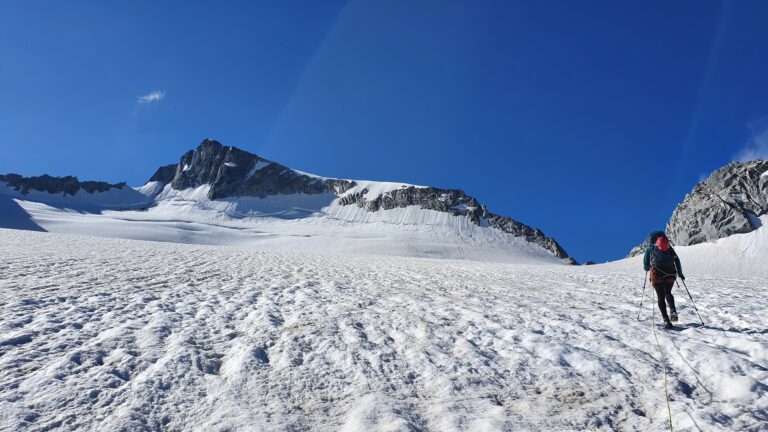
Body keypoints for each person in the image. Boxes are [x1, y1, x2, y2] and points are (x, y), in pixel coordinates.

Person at [643, 234, 685, 329]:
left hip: (657, 276)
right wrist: (680, 273)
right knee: (668, 293)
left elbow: (646, 263)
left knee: (660, 297)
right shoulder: (669, 249)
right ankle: (673, 309)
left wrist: (646, 267)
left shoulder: (651, 248)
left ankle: (666, 320)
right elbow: (677, 260)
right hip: (670, 275)